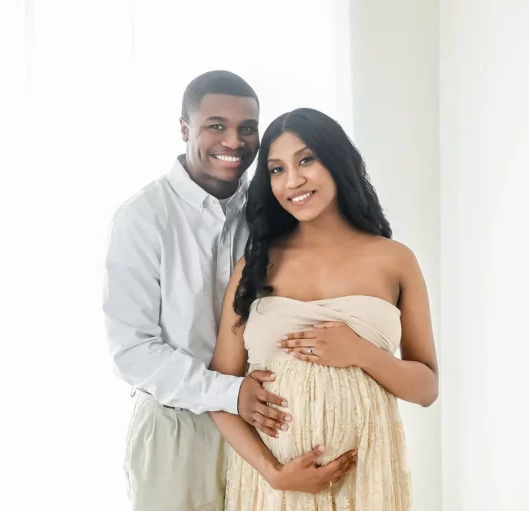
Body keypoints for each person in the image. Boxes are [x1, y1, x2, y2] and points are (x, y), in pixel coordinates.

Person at [103, 73, 355, 511]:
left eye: (247, 128)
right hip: (177, 430)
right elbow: (132, 352)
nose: (234, 141)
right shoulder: (142, 219)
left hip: (265, 426)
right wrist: (229, 393)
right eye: (216, 125)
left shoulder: (267, 211)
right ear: (185, 129)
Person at [208, 108, 439, 510]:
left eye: (306, 160)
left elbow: (426, 389)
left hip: (365, 481)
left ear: (336, 161)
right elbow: (218, 392)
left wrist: (362, 353)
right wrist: (273, 473)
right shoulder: (255, 264)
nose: (292, 181)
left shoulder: (395, 260)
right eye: (277, 170)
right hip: (272, 488)